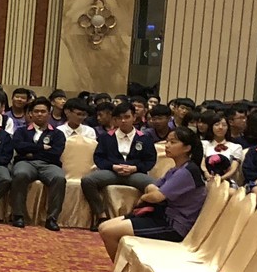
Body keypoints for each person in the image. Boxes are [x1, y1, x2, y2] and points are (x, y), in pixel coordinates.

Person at [98, 126, 207, 261]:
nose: (167, 145)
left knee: (109, 232)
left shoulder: (188, 171)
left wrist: (145, 196)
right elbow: (152, 187)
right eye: (167, 141)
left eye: (173, 142)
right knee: (103, 227)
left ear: (187, 148)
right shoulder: (175, 169)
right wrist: (151, 194)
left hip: (174, 225)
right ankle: (122, 271)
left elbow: (156, 196)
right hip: (161, 215)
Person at [81, 102, 157, 226]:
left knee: (156, 187)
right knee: (87, 181)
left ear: (134, 117)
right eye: (119, 118)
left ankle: (141, 217)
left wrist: (135, 168)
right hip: (112, 172)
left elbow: (150, 160)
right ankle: (101, 215)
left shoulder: (144, 138)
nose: (123, 121)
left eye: (127, 117)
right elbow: (98, 158)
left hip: (135, 173)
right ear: (115, 120)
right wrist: (113, 166)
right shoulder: (106, 137)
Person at [10, 100, 66, 231]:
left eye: (43, 111)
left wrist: (31, 152)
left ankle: (52, 218)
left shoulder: (57, 134)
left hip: (49, 165)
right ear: (30, 114)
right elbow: (19, 147)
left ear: (49, 113)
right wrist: (41, 147)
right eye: (36, 111)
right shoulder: (21, 131)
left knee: (59, 178)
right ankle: (18, 215)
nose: (39, 114)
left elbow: (55, 153)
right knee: (20, 174)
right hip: (26, 163)